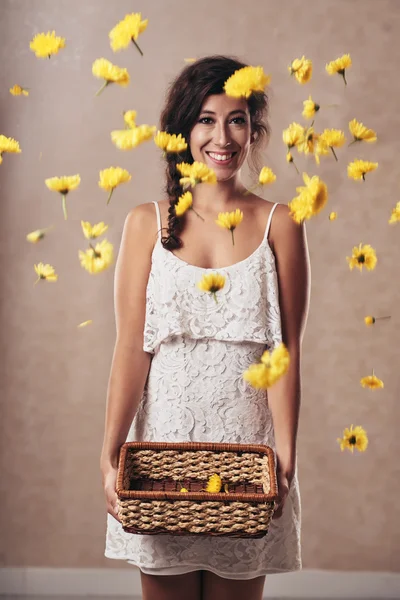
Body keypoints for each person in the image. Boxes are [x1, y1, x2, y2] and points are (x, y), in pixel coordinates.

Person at [100, 55, 310, 600]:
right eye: (206, 119)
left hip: (247, 462)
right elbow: (129, 349)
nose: (223, 136)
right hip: (161, 462)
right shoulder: (147, 223)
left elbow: (285, 355)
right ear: (182, 130)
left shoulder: (279, 225)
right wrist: (110, 452)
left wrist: (285, 458)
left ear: (253, 130)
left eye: (237, 119)